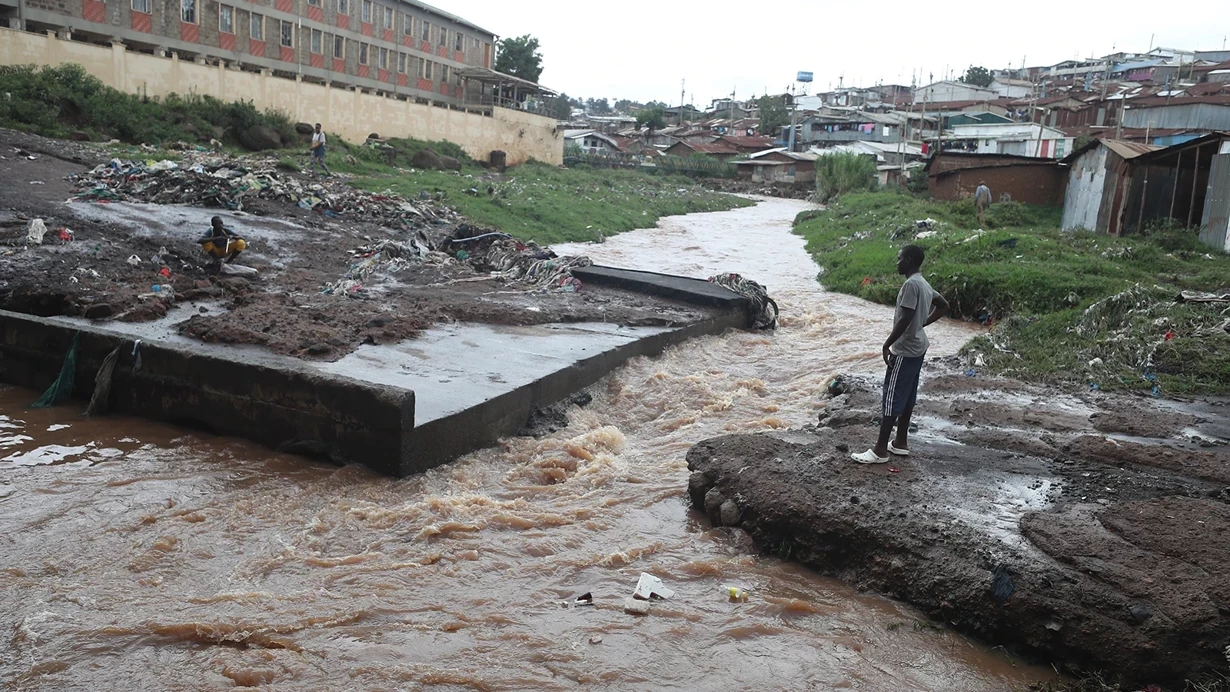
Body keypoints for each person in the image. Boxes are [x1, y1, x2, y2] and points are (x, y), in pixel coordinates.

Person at [852, 245, 950, 465]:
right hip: (919, 347)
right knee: (907, 396)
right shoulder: (923, 284)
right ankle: (900, 442)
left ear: (909, 260)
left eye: (899, 259)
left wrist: (888, 344)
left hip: (905, 349)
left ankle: (879, 451)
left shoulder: (910, 285)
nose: (897, 263)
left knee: (892, 396)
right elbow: (943, 305)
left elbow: (905, 318)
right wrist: (922, 324)